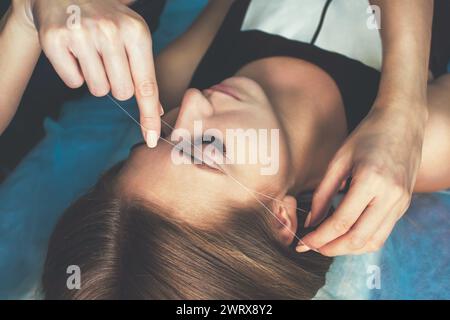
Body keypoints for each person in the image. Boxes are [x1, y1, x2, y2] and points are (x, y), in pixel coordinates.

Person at [37, 0, 449, 299]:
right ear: (280, 219)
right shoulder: (424, 147)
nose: (193, 103)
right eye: (208, 149)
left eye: (156, 137)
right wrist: (402, 103)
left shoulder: (172, 78)